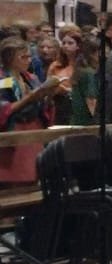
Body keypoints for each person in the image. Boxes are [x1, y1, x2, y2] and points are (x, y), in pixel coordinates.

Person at [0, 37, 66, 182]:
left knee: (37, 173)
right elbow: (3, 108)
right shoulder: (3, 79)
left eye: (30, 56)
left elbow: (43, 106)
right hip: (14, 130)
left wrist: (48, 95)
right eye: (23, 57)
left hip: (34, 128)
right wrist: (30, 97)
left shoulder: (31, 78)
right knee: (16, 176)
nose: (28, 60)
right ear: (9, 58)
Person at [50, 25, 96, 126]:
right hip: (59, 106)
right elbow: (47, 88)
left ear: (78, 46)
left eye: (70, 43)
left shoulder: (84, 68)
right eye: (63, 43)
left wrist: (68, 91)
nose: (66, 46)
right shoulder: (55, 65)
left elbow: (90, 95)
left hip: (78, 107)